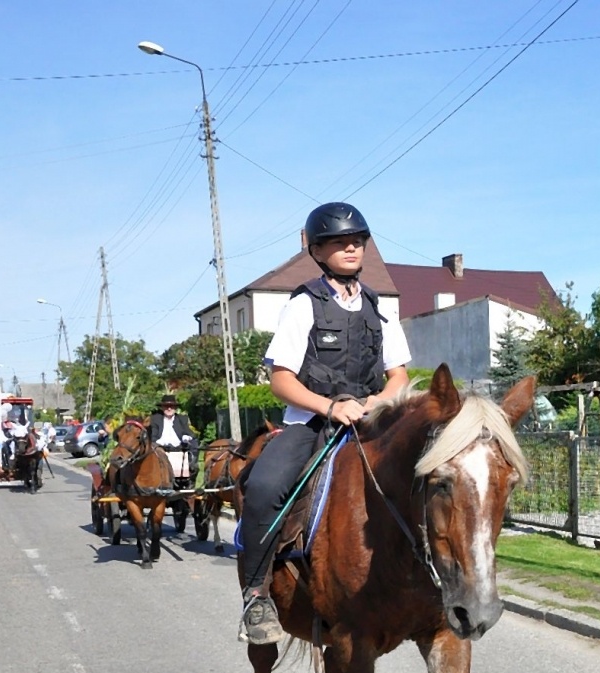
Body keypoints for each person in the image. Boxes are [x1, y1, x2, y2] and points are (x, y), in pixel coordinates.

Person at [235, 202, 412, 644]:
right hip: (311, 424)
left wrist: (377, 402)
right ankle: (256, 596)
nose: (351, 248)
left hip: (368, 423)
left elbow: (400, 376)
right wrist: (329, 408)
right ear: (317, 251)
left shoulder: (380, 308)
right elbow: (281, 380)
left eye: (357, 241)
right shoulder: (302, 305)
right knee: (262, 487)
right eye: (339, 242)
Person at [149, 394, 196, 482]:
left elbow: (191, 434)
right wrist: (159, 443)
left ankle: (191, 471)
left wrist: (186, 437)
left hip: (179, 449)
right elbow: (153, 437)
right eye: (166, 406)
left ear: (175, 408)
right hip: (160, 449)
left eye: (171, 406)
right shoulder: (155, 419)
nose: (169, 408)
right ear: (162, 407)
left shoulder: (182, 419)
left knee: (194, 444)